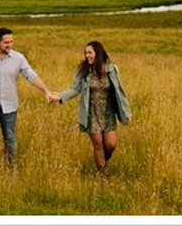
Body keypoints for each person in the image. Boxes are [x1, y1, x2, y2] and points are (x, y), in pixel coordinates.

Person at [0, 26, 56, 171]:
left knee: (9, 137)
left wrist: (46, 90)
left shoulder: (18, 58)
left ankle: (11, 169)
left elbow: (31, 75)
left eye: (11, 42)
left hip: (9, 104)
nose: (10, 45)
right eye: (6, 42)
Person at [53, 40, 132, 183]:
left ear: (98, 53)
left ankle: (103, 161)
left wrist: (126, 112)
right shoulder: (84, 71)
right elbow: (75, 89)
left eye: (90, 53)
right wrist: (60, 96)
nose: (87, 56)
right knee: (98, 145)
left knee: (110, 145)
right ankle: (102, 175)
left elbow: (120, 92)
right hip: (91, 113)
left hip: (108, 113)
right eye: (85, 53)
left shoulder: (111, 69)